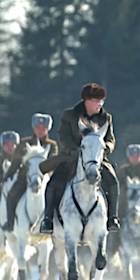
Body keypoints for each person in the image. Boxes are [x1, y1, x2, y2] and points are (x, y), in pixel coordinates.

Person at [39, 83, 119, 233]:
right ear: (87, 102)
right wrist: (75, 151)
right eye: (97, 101)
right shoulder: (69, 115)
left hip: (96, 158)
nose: (101, 104)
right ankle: (48, 219)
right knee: (54, 181)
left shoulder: (106, 117)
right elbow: (63, 136)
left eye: (102, 101)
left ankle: (112, 217)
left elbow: (111, 139)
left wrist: (106, 148)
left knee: (112, 180)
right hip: (71, 157)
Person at [1, 113, 59, 232]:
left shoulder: (52, 145)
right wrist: (9, 174)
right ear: (33, 128)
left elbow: (53, 162)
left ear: (48, 129)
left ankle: (55, 223)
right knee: (11, 196)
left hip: (44, 179)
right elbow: (16, 161)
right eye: (38, 127)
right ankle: (10, 222)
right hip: (24, 179)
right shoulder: (23, 143)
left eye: (43, 128)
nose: (40, 130)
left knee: (58, 197)